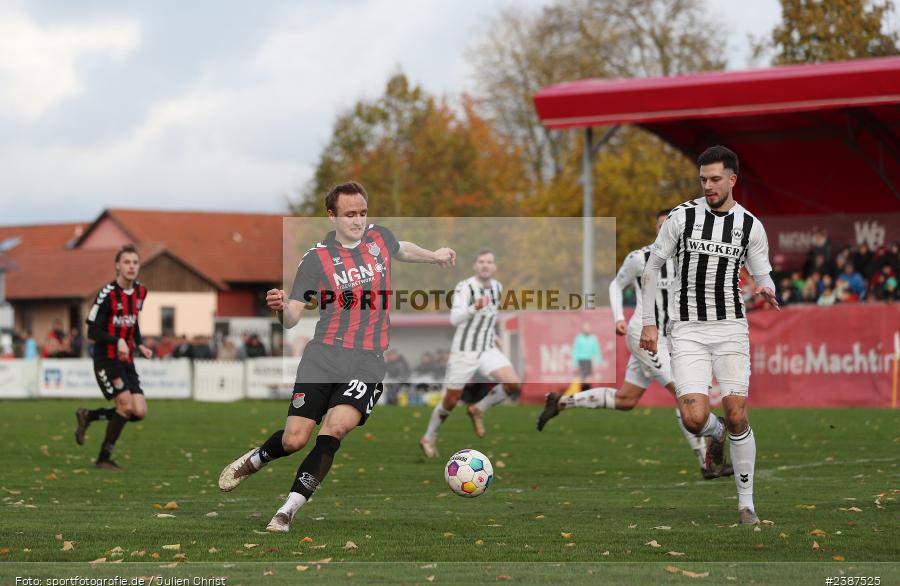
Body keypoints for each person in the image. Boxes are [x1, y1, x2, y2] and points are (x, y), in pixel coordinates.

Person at [218, 181, 456, 533]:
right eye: (350, 214)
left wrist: (434, 255)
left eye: (362, 213)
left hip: (368, 360)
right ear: (332, 215)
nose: (358, 221)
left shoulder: (378, 237)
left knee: (335, 430)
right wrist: (281, 308)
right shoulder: (315, 260)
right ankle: (256, 459)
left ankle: (287, 510)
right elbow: (294, 316)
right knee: (294, 440)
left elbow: (400, 248)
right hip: (324, 356)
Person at [639, 146, 778, 526]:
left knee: (737, 413)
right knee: (693, 417)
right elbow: (653, 266)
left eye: (716, 179)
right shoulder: (682, 217)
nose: (709, 186)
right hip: (687, 330)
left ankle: (746, 504)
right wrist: (649, 321)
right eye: (703, 179)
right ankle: (712, 435)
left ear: (733, 179)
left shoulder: (750, 225)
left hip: (731, 326)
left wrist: (767, 289)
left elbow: (762, 272)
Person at [538, 210, 732, 480]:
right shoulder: (640, 258)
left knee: (626, 399)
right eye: (662, 227)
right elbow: (616, 285)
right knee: (684, 392)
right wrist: (618, 317)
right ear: (657, 230)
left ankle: (561, 402)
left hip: (670, 339)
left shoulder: (689, 260)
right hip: (644, 335)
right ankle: (708, 456)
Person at [419, 249, 521, 457]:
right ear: (475, 266)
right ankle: (428, 437)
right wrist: (474, 307)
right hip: (464, 351)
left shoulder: (497, 288)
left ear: (494, 267)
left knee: (512, 383)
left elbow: (490, 316)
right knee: (451, 401)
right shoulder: (465, 287)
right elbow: (454, 319)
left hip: (487, 348)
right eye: (481, 261)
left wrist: (493, 335)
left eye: (489, 262)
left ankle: (478, 408)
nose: (485, 265)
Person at [75, 244, 153, 469]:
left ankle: (89, 416)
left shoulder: (140, 292)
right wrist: (116, 340)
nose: (131, 266)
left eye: (135, 262)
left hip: (126, 359)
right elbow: (92, 331)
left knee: (139, 412)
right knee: (126, 405)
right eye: (127, 262)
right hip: (106, 358)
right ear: (117, 266)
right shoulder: (107, 294)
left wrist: (140, 344)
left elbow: (133, 321)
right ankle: (103, 458)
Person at [571, 321, 603, 390]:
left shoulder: (593, 338)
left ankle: (587, 395)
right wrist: (574, 364)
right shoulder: (578, 338)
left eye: (588, 328)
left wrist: (599, 361)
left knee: (588, 379)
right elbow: (575, 351)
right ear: (583, 329)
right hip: (581, 361)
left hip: (588, 361)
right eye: (585, 328)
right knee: (583, 380)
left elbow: (596, 351)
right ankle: (582, 395)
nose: (587, 329)